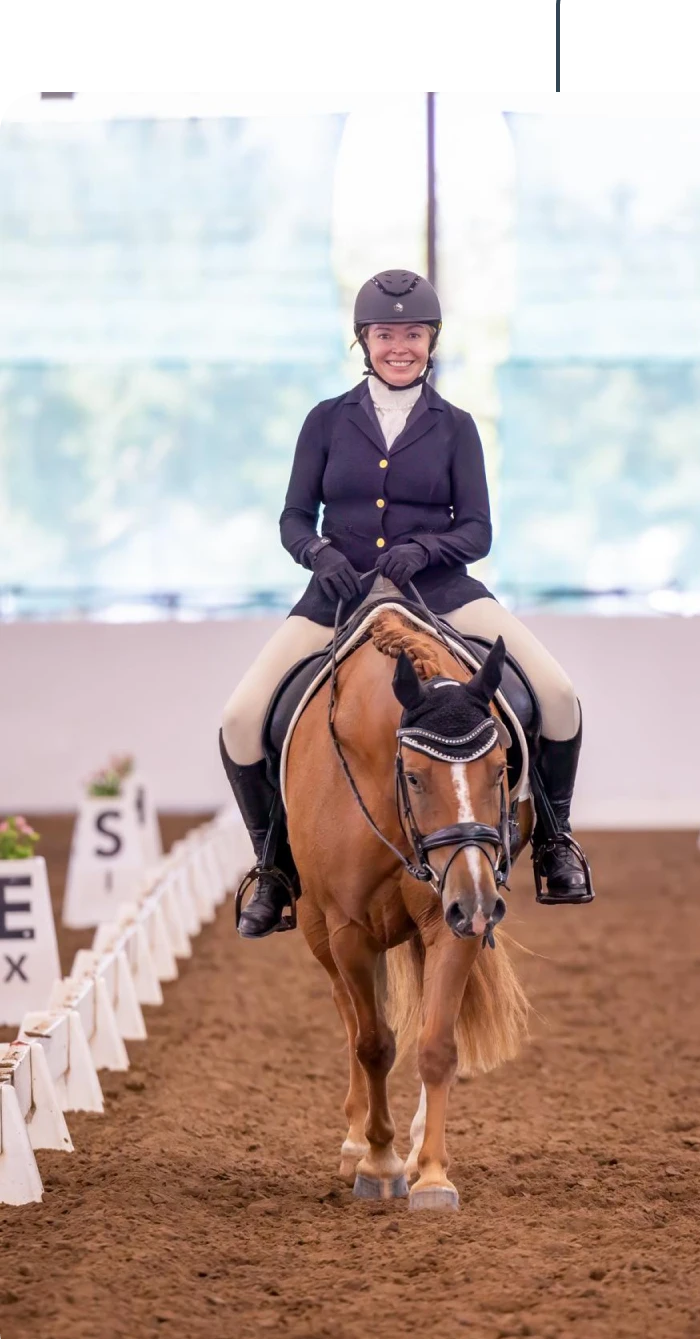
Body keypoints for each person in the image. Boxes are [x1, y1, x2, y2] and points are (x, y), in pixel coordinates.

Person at [217, 268, 595, 938]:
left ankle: (554, 843)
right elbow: (293, 518)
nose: (401, 346)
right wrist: (321, 555)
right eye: (387, 334)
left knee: (559, 695)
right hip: (338, 596)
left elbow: (477, 529)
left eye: (413, 334)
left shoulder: (455, 426)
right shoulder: (326, 420)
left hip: (440, 593)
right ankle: (273, 868)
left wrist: (426, 550)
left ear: (431, 341)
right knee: (241, 718)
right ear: (364, 339)